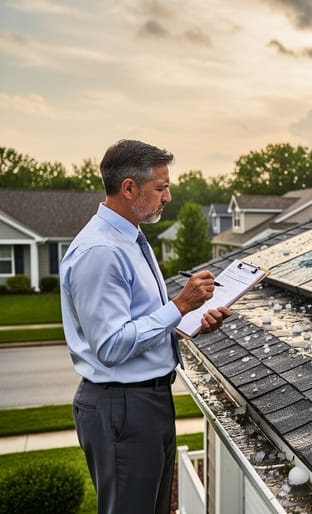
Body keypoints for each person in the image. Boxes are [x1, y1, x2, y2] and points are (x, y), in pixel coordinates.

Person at [60, 139, 231, 514]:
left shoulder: (131, 238)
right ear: (129, 188)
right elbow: (111, 346)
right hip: (122, 405)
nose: (168, 196)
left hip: (145, 402)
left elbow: (141, 322)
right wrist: (180, 304)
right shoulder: (101, 251)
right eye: (161, 187)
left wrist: (194, 320)